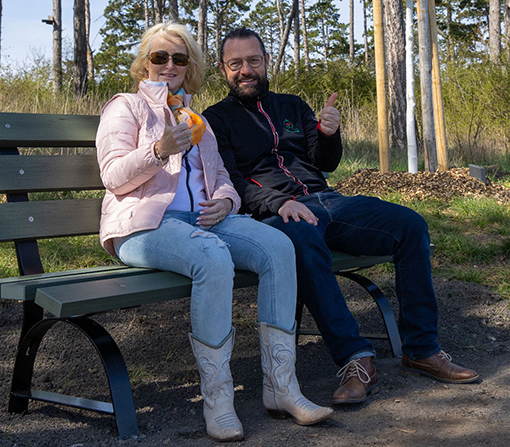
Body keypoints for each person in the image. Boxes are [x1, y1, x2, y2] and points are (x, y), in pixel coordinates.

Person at [202, 27, 480, 407]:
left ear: (266, 62)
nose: (245, 70)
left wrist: (328, 134)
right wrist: (278, 203)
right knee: (301, 239)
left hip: (328, 201)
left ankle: (422, 349)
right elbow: (231, 181)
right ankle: (356, 359)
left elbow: (325, 162)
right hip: (275, 214)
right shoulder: (216, 120)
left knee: (410, 225)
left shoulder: (292, 106)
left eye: (253, 61)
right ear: (222, 69)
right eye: (236, 64)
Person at [96, 22, 332, 442]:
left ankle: (282, 387)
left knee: (278, 246)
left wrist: (225, 200)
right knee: (213, 257)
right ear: (145, 63)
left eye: (180, 58)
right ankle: (218, 401)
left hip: (204, 221)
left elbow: (222, 177)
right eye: (160, 57)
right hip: (144, 226)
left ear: (191, 66)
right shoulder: (125, 107)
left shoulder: (196, 119)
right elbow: (113, 176)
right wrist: (158, 150)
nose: (170, 65)